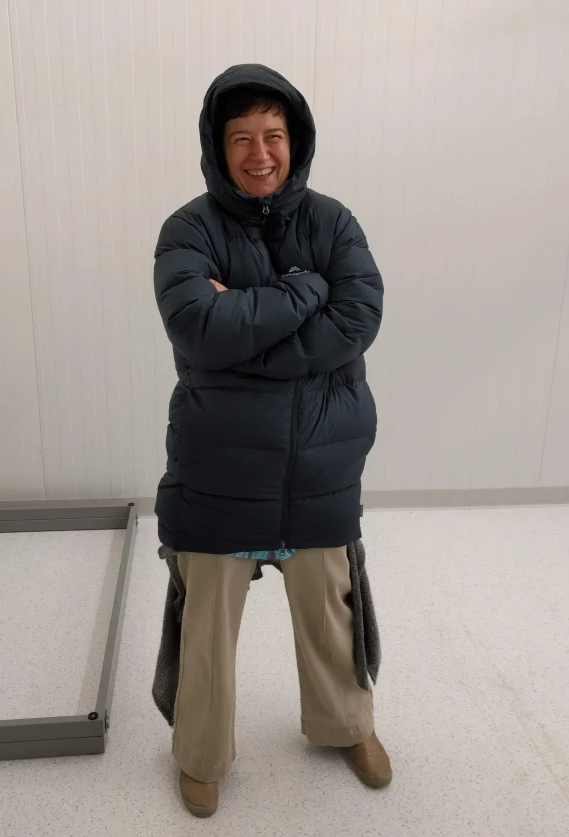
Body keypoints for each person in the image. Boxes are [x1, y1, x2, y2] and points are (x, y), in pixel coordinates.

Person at [153, 64, 389, 818]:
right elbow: (198, 326)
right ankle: (199, 754)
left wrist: (247, 332)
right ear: (217, 147)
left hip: (321, 464)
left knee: (331, 601)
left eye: (274, 136)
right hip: (219, 466)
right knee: (208, 621)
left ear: (297, 141)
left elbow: (359, 317)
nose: (261, 153)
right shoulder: (187, 230)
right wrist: (302, 290)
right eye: (242, 138)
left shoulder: (335, 223)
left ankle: (345, 724)